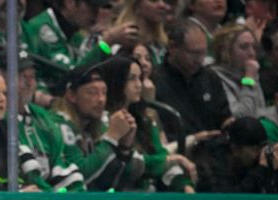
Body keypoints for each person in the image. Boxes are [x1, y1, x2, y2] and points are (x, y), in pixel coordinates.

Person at [101, 54, 197, 191]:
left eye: (140, 78)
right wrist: (170, 161)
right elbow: (127, 165)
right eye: (132, 79)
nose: (139, 85)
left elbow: (161, 157)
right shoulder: (104, 121)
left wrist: (185, 185)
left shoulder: (145, 119)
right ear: (116, 81)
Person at [51, 63, 145, 191]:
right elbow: (80, 176)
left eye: (104, 92)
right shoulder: (59, 125)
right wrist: (111, 138)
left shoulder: (95, 124)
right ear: (72, 95)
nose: (101, 99)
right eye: (92, 92)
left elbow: (132, 174)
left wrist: (124, 148)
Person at [152, 18, 232, 146]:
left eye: (203, 52)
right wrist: (193, 139)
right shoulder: (155, 81)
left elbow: (224, 117)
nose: (200, 59)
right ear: (172, 47)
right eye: (194, 53)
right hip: (180, 151)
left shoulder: (210, 77)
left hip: (216, 150)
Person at [26, 0, 138, 90]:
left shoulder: (77, 35)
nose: (97, 13)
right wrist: (107, 42)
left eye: (99, 8)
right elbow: (71, 76)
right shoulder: (41, 29)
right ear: (70, 2)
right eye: (91, 7)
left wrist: (112, 47)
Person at [16, 51, 84, 191]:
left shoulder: (43, 118)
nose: (29, 83)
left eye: (32, 77)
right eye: (22, 77)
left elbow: (59, 163)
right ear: (2, 77)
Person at [194, 115, 277, 192]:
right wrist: (260, 171)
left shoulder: (259, 161)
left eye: (263, 147)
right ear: (236, 149)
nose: (261, 153)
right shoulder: (212, 164)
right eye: (255, 149)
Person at [210, 23, 266, 119]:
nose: (252, 53)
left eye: (254, 47)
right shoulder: (213, 77)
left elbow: (260, 112)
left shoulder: (249, 71)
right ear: (225, 51)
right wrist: (248, 80)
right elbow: (242, 118)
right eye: (244, 47)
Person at [115, 0, 171, 64]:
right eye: (154, 0)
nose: (162, 5)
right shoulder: (120, 41)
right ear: (137, 5)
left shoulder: (164, 45)